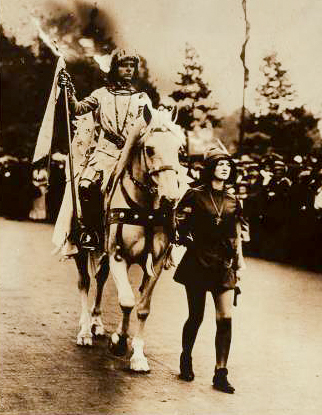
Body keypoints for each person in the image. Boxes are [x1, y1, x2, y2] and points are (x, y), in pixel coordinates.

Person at [54, 49, 153, 254]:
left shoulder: (142, 98)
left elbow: (148, 126)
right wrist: (68, 90)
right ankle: (91, 232)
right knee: (86, 186)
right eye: (123, 65)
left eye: (132, 66)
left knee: (158, 184)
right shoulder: (101, 94)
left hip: (132, 154)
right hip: (105, 153)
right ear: (115, 68)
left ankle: (162, 234)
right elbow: (78, 109)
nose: (128, 70)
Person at [174, 143, 246, 394]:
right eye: (220, 164)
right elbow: (178, 220)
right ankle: (186, 357)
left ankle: (221, 372)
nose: (225, 169)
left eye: (228, 165)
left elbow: (236, 234)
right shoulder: (195, 194)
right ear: (210, 168)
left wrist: (239, 262)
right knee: (196, 316)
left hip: (223, 264)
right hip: (197, 261)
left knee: (225, 318)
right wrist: (185, 236)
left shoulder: (233, 200)